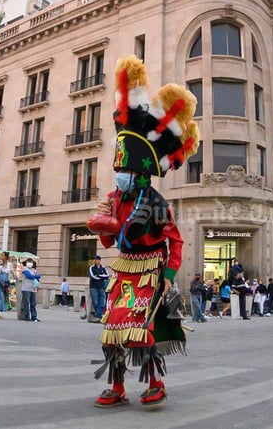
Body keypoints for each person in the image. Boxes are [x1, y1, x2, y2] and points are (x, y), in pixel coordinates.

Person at [89, 55, 198, 409]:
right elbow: (110, 240)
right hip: (123, 269)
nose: (119, 176)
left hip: (150, 270)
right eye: (118, 169)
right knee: (111, 328)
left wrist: (168, 275)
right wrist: (103, 227)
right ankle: (117, 386)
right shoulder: (114, 197)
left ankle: (156, 383)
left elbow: (175, 240)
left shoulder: (156, 203)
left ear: (140, 173)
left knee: (141, 328)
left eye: (125, 171)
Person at [88, 255, 110, 321]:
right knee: (95, 302)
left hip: (101, 286)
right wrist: (101, 277)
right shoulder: (91, 268)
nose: (95, 261)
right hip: (93, 287)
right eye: (94, 259)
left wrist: (98, 275)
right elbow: (92, 277)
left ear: (99, 260)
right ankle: (99, 315)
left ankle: (97, 315)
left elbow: (107, 276)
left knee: (103, 302)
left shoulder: (103, 268)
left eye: (96, 259)